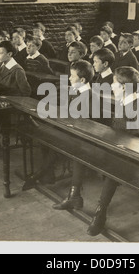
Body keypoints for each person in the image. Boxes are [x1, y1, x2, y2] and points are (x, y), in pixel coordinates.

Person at [84, 67, 139, 236]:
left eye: (114, 82)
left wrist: (128, 145)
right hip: (118, 147)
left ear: (124, 87)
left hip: (134, 154)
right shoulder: (122, 101)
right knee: (83, 149)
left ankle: (100, 212)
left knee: (114, 166)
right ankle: (75, 196)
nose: (111, 85)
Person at [22, 61, 96, 191]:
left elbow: (85, 123)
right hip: (67, 128)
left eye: (72, 76)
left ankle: (38, 175)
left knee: (55, 143)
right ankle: (47, 174)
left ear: (82, 79)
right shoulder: (74, 89)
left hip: (80, 136)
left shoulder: (89, 96)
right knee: (44, 136)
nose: (69, 78)